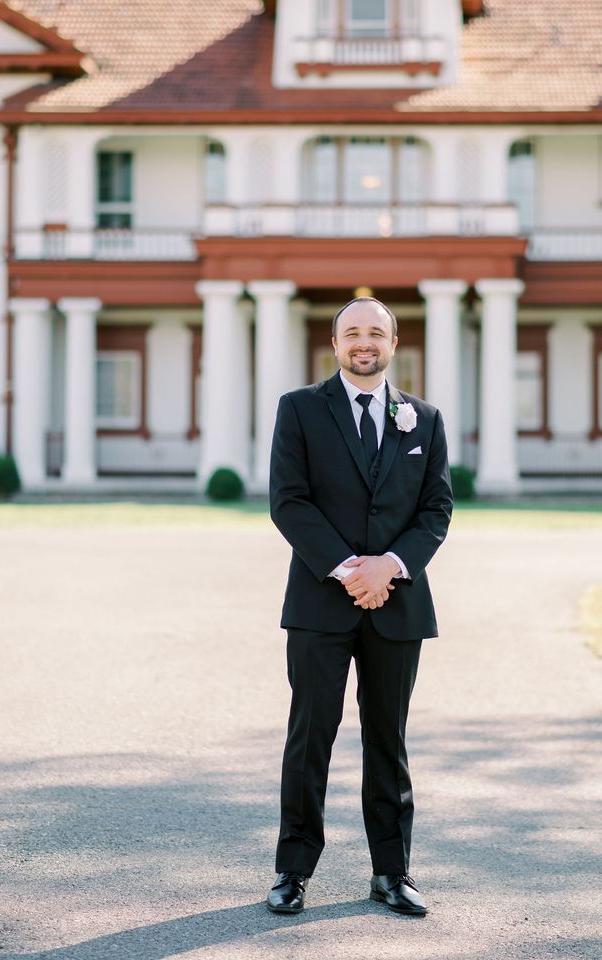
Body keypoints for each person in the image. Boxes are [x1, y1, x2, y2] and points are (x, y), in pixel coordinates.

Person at [266, 296, 453, 917]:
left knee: (388, 741)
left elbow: (436, 511)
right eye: (352, 332)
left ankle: (392, 872)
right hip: (321, 602)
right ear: (336, 342)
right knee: (309, 736)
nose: (363, 342)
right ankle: (293, 871)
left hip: (398, 605)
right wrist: (350, 571)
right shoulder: (299, 410)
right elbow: (289, 502)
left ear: (394, 344)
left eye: (376, 332)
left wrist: (388, 568)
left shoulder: (423, 418)